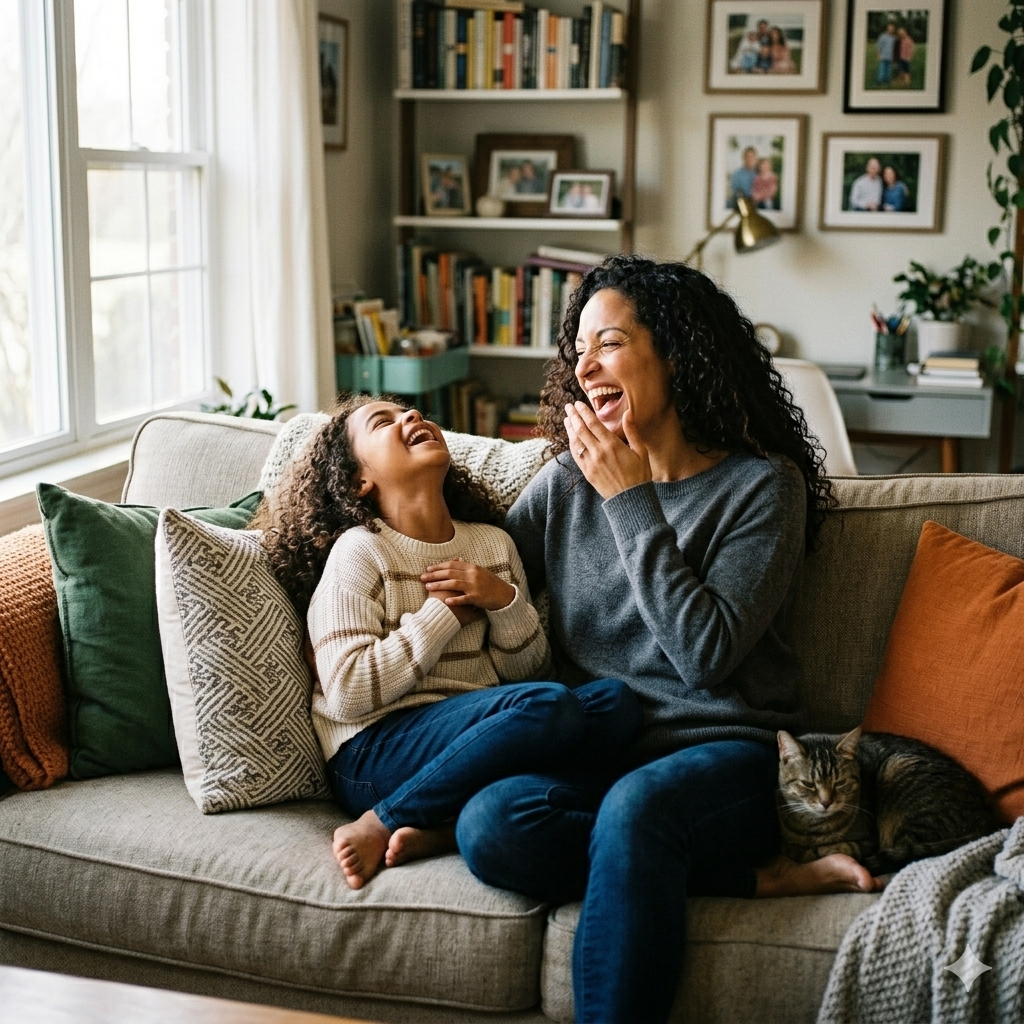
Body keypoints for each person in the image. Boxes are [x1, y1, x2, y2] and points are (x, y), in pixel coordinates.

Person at [454, 256, 883, 1024]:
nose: (584, 364)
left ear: (677, 355)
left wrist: (629, 500)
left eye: (608, 343)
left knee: (637, 810)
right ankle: (754, 879)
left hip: (725, 756)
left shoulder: (761, 487)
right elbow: (486, 573)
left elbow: (705, 655)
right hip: (602, 751)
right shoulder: (563, 483)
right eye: (577, 349)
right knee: (492, 823)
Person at [258, 396, 642, 890]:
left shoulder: (491, 546)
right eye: (384, 422)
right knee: (550, 708)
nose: (411, 417)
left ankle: (445, 828)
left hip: (477, 738)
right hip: (375, 753)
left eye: (411, 412)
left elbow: (527, 677)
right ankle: (386, 818)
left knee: (615, 704)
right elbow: (348, 691)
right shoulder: (361, 550)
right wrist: (442, 615)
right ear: (359, 480)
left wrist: (503, 601)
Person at [876, 21, 897, 86]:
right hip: (883, 55)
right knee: (882, 68)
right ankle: (880, 80)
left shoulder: (894, 38)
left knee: (889, 69)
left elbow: (895, 48)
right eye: (889, 29)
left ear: (893, 30)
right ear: (887, 29)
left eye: (892, 29)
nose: (891, 30)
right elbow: (879, 46)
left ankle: (887, 80)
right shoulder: (882, 36)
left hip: (890, 56)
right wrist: (879, 54)